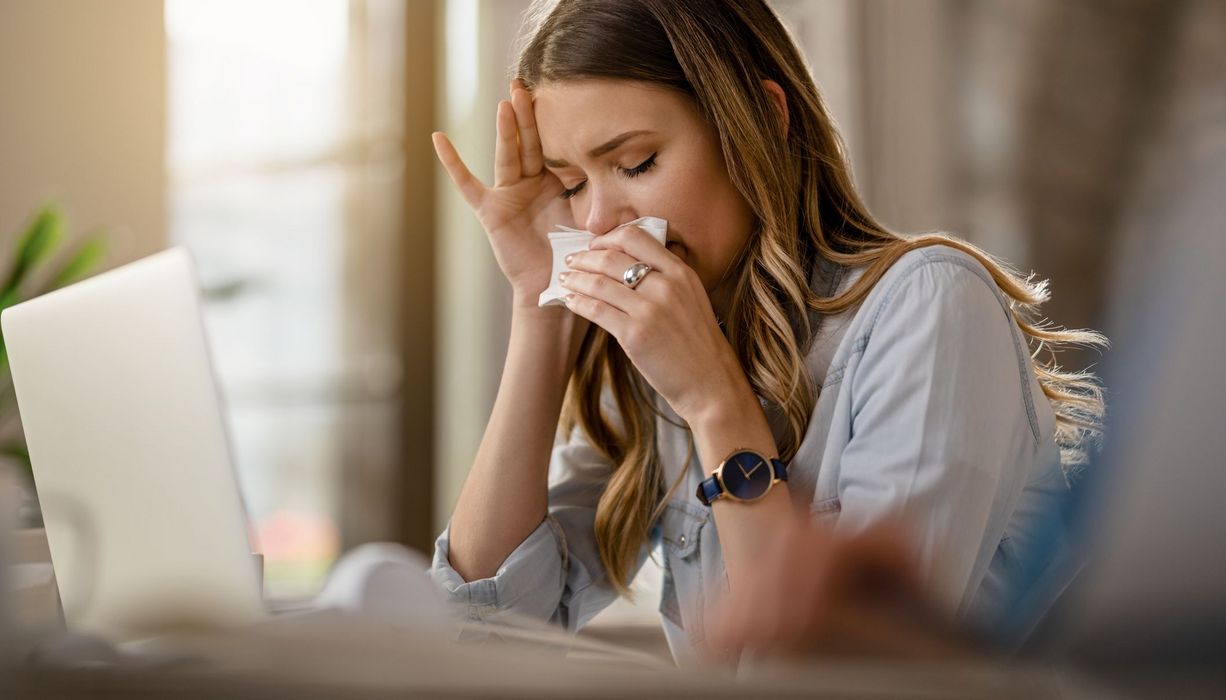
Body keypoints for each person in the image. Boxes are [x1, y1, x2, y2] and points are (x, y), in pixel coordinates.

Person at [428, 0, 1104, 665]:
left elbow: (831, 678)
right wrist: (539, 307)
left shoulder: (927, 306)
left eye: (635, 164)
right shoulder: (656, 355)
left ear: (760, 122)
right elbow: (479, 632)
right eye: (572, 183)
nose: (599, 221)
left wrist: (715, 404)